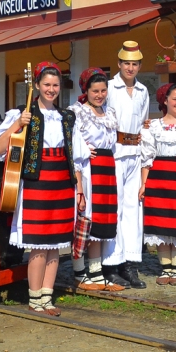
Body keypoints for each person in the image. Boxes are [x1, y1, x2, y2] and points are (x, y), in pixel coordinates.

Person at [0, 62, 76, 315]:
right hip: (36, 182)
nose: (51, 90)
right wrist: (18, 123)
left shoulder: (67, 117)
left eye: (55, 85)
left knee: (56, 245)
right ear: (37, 85)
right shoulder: (22, 113)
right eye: (47, 85)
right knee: (39, 244)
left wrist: (79, 188)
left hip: (62, 182)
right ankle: (34, 297)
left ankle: (47, 298)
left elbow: (77, 158)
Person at [69, 68, 125, 291]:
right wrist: (84, 150)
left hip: (107, 168)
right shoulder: (78, 112)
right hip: (88, 168)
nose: (100, 94)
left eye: (103, 90)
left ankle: (96, 272)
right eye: (95, 91)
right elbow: (72, 141)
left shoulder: (109, 112)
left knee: (101, 221)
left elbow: (113, 142)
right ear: (86, 90)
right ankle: (79, 272)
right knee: (86, 218)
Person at [104, 41, 150, 289]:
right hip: (114, 153)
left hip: (135, 154)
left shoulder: (143, 91)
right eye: (126, 63)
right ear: (119, 64)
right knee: (116, 209)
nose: (130, 68)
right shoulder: (110, 88)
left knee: (134, 211)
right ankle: (111, 264)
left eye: (134, 64)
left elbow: (143, 123)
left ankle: (130, 264)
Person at [139, 83, 176, 286]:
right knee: (160, 223)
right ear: (165, 101)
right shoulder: (153, 126)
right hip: (159, 177)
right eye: (174, 99)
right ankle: (165, 268)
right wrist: (144, 184)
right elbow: (147, 157)